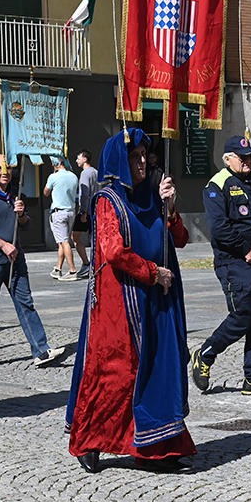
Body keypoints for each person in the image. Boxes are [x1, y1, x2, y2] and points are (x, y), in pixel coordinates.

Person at [67, 128, 195, 473]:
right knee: (115, 374)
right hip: (119, 303)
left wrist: (170, 207)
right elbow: (113, 252)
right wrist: (154, 272)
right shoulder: (108, 200)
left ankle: (157, 447)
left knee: (157, 369)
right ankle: (90, 440)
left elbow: (179, 239)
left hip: (156, 298)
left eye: (144, 156)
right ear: (120, 162)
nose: (143, 162)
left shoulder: (153, 196)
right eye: (135, 157)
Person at [190, 135, 251, 395]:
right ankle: (205, 354)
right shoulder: (216, 185)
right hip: (235, 261)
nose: (247, 161)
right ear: (227, 159)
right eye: (242, 157)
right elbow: (219, 229)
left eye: (250, 157)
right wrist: (246, 251)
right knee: (243, 316)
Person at [0, 155, 66, 370]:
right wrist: (2, 245)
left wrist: (21, 215)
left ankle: (40, 350)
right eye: (0, 168)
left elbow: (26, 226)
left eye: (8, 168)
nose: (5, 172)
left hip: (16, 260)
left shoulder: (15, 193)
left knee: (26, 304)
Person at [44, 156, 81, 280]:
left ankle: (72, 271)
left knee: (64, 242)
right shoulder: (74, 176)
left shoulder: (53, 177)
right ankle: (58, 269)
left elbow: (45, 192)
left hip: (59, 212)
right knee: (62, 241)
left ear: (59, 162)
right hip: (71, 211)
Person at [69, 149, 97, 272]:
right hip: (96, 209)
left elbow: (84, 193)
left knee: (74, 237)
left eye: (78, 158)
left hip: (87, 210)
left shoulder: (85, 173)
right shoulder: (96, 172)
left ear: (85, 159)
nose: (77, 160)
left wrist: (83, 211)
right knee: (94, 238)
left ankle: (86, 263)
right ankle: (95, 263)